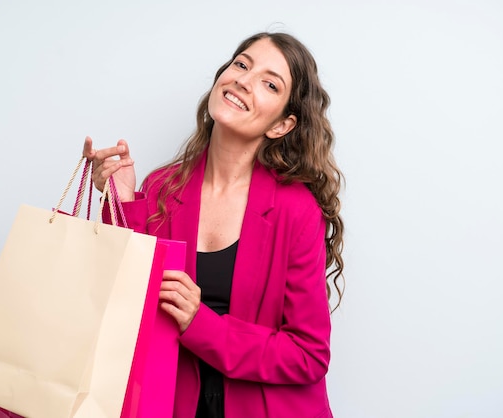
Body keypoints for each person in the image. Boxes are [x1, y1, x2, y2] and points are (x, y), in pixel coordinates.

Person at [83, 31, 344, 418]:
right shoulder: (162, 187)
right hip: (166, 402)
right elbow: (124, 307)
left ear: (281, 125)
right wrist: (122, 200)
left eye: (269, 83)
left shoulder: (296, 209)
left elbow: (308, 354)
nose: (244, 79)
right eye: (242, 64)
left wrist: (199, 322)